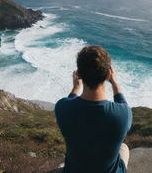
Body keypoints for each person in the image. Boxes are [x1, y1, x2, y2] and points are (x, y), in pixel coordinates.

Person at [55, 45, 133, 173]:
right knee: (123, 148)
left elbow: (69, 102)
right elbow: (123, 104)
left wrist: (75, 88)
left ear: (78, 74)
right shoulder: (123, 114)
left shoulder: (62, 108)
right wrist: (115, 83)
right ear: (108, 74)